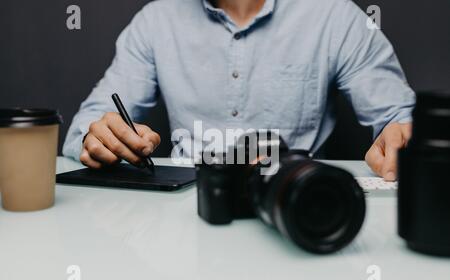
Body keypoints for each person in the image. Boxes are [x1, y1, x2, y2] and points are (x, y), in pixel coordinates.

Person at [63, 0, 415, 181]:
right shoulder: (156, 19)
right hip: (187, 211)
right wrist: (98, 138)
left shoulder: (334, 15)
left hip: (292, 201)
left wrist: (402, 137)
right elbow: (86, 126)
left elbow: (399, 117)